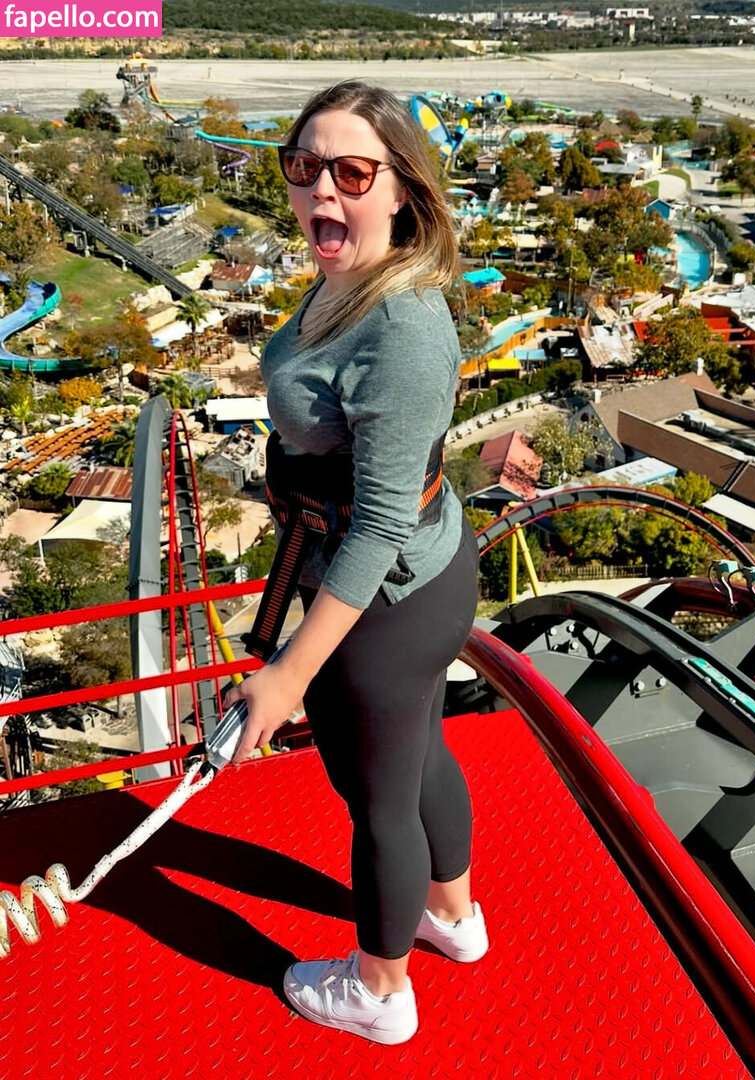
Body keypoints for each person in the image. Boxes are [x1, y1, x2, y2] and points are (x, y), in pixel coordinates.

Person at [222, 81, 487, 1045]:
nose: (321, 190)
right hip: (403, 572)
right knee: (417, 758)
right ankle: (453, 918)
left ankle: (380, 993)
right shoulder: (346, 280)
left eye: (351, 172)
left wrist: (289, 673)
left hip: (389, 593)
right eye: (304, 168)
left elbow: (376, 527)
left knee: (377, 799)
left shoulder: (402, 328)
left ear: (401, 188)